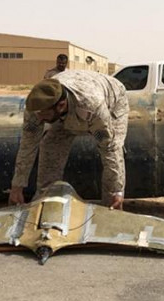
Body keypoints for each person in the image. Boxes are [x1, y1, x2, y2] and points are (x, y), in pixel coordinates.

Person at [9, 70, 129, 210]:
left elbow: (110, 148)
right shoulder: (37, 107)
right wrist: (17, 186)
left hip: (113, 99)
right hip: (68, 106)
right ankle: (46, 199)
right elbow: (27, 145)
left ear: (60, 106)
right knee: (49, 145)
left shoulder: (92, 106)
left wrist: (117, 190)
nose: (39, 119)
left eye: (43, 115)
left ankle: (111, 206)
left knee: (113, 148)